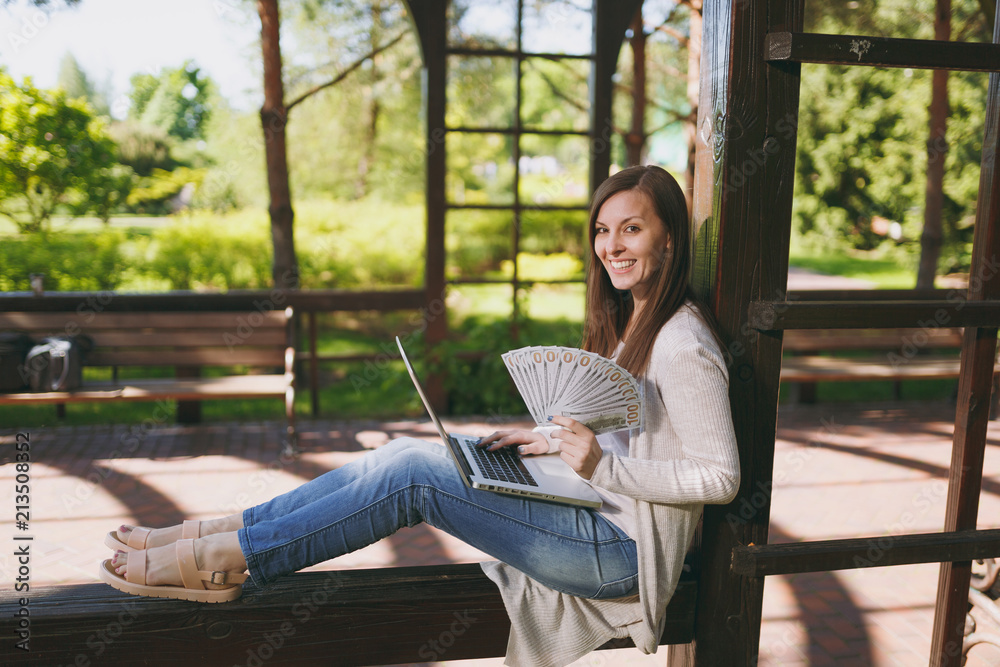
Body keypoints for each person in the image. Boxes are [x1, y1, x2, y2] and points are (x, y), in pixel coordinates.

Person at [99, 164, 740, 667]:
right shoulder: (638, 320)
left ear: (669, 238)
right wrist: (548, 440)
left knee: (415, 480)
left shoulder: (682, 343)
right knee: (409, 453)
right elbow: (629, 433)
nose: (611, 246)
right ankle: (221, 529)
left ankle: (232, 558)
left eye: (632, 229)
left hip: (620, 555)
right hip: (592, 513)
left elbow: (720, 477)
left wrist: (601, 468)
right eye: (602, 230)